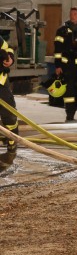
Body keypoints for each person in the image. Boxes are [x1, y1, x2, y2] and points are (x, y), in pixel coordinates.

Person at [0, 38, 18, 171]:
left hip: (1, 85)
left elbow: (8, 47)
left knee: (10, 117)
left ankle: (11, 148)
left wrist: (10, 58)